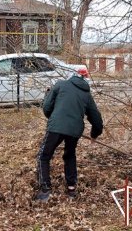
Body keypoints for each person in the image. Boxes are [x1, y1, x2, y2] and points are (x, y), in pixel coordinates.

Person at [35, 68, 103, 201]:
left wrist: (53, 118)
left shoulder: (60, 84)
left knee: (43, 156)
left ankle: (45, 190)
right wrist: (95, 134)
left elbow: (47, 107)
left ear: (72, 76)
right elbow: (97, 119)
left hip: (56, 127)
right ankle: (71, 189)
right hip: (74, 131)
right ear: (86, 79)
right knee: (69, 155)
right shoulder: (87, 95)